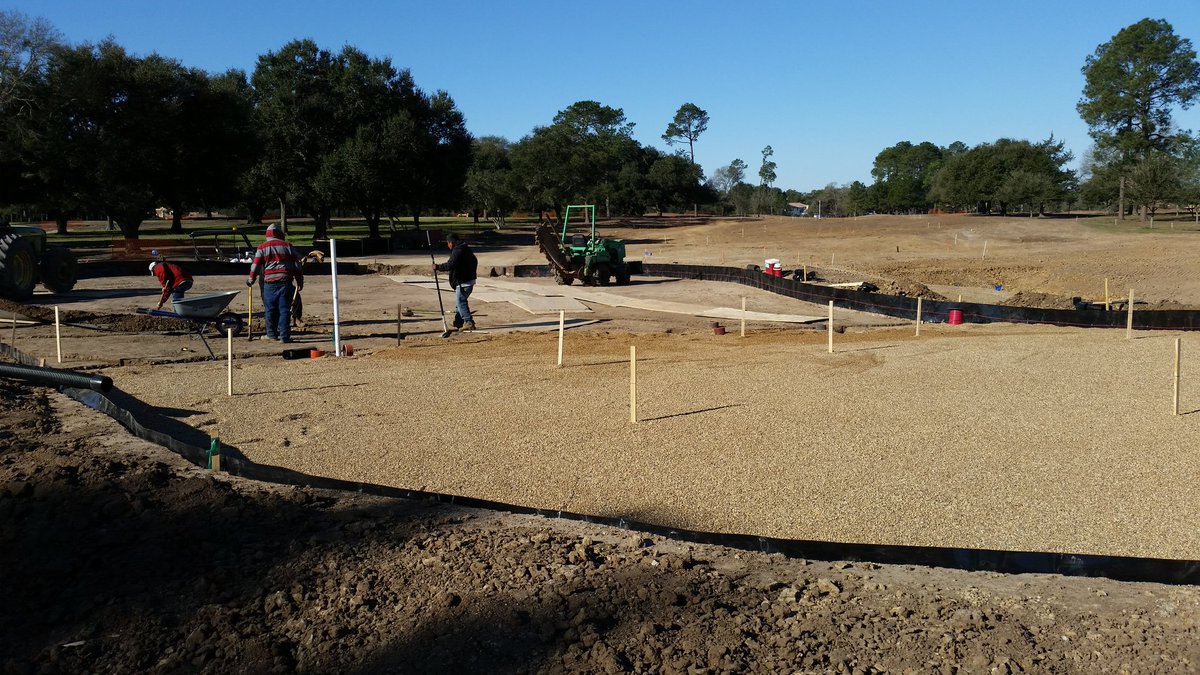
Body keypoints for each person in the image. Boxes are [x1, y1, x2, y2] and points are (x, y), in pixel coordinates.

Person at [246, 224, 304, 343]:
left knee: (270, 310)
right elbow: (297, 265)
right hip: (285, 282)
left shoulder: (262, 247)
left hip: (269, 284)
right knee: (284, 310)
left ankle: (271, 335)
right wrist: (299, 281)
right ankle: (284, 337)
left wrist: (251, 279)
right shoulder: (288, 246)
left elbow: (255, 265)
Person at [433, 232, 478, 331]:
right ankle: (458, 321)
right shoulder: (466, 249)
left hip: (463, 282)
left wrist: (438, 267)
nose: (447, 245)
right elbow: (475, 260)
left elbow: (451, 264)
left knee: (461, 302)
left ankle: (468, 322)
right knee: (459, 303)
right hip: (469, 280)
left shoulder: (458, 251)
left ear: (451, 243)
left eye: (447, 243)